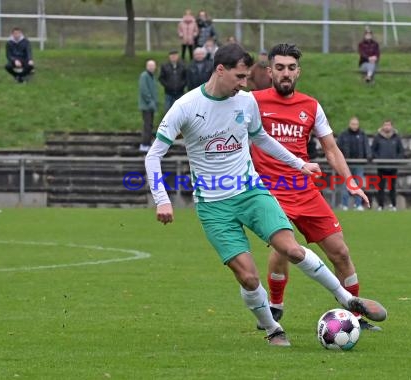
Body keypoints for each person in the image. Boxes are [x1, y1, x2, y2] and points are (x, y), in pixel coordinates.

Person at [144, 43, 387, 346]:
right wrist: (162, 198)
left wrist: (299, 164)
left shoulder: (244, 102)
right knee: (248, 277)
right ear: (220, 70)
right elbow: (153, 155)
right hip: (214, 205)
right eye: (240, 77)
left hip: (251, 192)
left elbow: (262, 138)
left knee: (293, 249)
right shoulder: (185, 106)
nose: (245, 84)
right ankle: (273, 328)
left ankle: (346, 299)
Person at [251, 43, 382, 332]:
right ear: (269, 70)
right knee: (283, 249)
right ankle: (276, 306)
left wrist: (350, 181)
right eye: (280, 68)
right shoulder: (252, 102)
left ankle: (355, 312)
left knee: (341, 252)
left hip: (305, 191)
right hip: (271, 192)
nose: (286, 73)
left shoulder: (311, 106)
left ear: (299, 71)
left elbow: (331, 149)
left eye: (291, 68)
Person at [337, 117, 370, 211]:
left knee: (358, 183)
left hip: (359, 163)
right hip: (346, 163)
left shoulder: (362, 135)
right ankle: (344, 204)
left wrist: (368, 156)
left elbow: (366, 146)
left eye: (356, 124)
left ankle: (358, 204)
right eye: (352, 124)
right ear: (349, 124)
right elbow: (338, 147)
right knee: (345, 184)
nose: (354, 126)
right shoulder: (343, 135)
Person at [371, 120, 404, 211]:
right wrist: (378, 158)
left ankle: (393, 205)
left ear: (392, 126)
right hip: (381, 166)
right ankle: (380, 205)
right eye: (385, 125)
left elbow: (401, 151)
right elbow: (373, 150)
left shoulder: (396, 137)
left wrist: (396, 160)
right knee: (380, 187)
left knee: (392, 187)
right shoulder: (378, 137)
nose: (387, 127)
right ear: (382, 126)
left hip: (393, 167)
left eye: (389, 125)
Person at [138, 59, 159, 152]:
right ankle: (144, 144)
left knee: (150, 125)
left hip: (151, 105)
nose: (151, 67)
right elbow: (144, 90)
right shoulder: (144, 76)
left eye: (153, 66)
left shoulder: (152, 76)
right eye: (150, 66)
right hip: (146, 106)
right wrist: (150, 101)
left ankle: (148, 142)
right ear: (147, 66)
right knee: (147, 125)